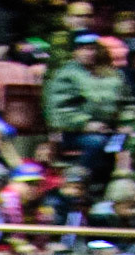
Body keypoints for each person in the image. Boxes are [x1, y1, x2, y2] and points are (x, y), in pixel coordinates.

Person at [46, 35, 134, 188]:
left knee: (129, 141)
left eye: (92, 49)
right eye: (84, 49)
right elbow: (58, 111)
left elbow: (127, 104)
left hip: (110, 129)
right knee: (97, 142)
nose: (89, 53)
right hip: (76, 132)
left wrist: (126, 123)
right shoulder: (65, 75)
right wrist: (86, 124)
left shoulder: (112, 74)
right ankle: (80, 184)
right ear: (75, 52)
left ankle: (121, 188)